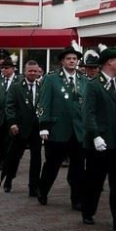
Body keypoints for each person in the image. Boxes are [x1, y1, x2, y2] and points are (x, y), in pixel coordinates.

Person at [82, 47, 116, 231]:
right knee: (95, 181)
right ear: (108, 63)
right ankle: (88, 211)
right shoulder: (94, 84)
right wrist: (95, 136)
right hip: (101, 143)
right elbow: (88, 114)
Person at [36, 46, 87, 208]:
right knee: (52, 164)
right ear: (62, 61)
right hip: (58, 129)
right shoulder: (52, 79)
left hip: (78, 131)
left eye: (74, 59)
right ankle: (42, 190)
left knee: (78, 167)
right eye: (69, 59)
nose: (72, 61)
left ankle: (77, 199)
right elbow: (44, 102)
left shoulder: (83, 79)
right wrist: (44, 126)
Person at [1, 60, 43, 195]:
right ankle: (9, 179)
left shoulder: (42, 87)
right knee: (14, 157)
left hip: (37, 129)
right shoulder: (16, 87)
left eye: (35, 71)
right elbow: (10, 106)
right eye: (30, 71)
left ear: (39, 72)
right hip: (20, 128)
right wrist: (12, 123)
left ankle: (34, 186)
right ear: (25, 72)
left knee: (36, 159)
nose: (32, 73)